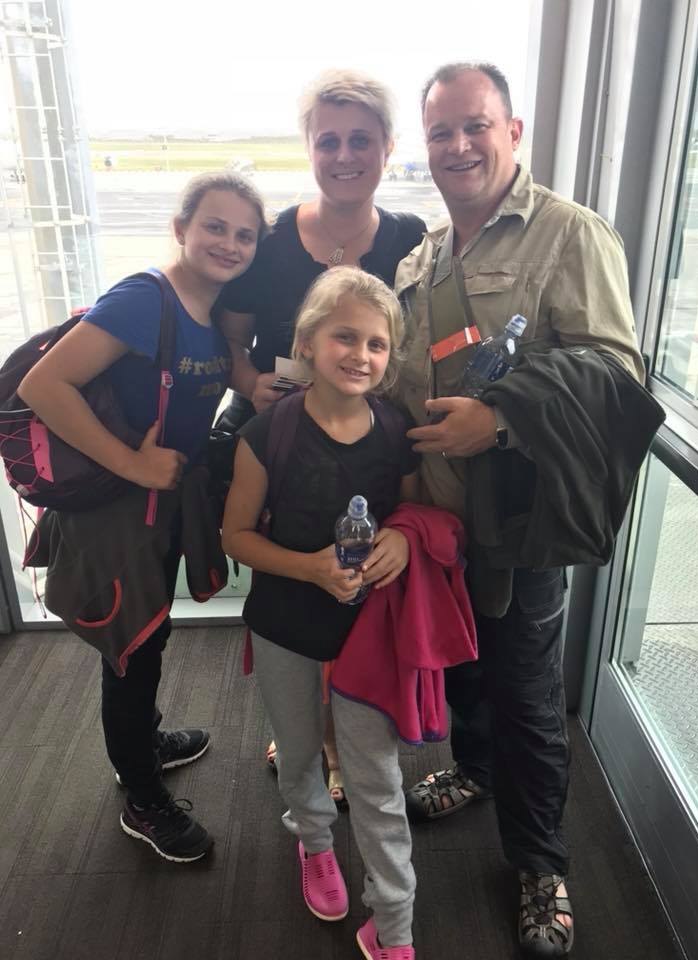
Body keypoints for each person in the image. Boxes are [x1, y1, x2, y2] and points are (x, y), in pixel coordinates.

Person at [393, 62, 645, 957]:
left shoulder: (568, 235)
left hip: (520, 522)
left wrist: (500, 418)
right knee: (465, 667)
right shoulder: (420, 258)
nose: (457, 145)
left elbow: (618, 376)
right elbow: (400, 375)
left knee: (527, 689)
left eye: (475, 125)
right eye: (440, 133)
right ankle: (473, 767)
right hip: (441, 520)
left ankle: (541, 864)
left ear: (513, 129)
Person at [17, 171, 269, 863]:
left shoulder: (210, 310)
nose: (228, 242)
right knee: (131, 649)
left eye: (244, 234)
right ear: (181, 229)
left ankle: (143, 744)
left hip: (157, 505)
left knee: (149, 640)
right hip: (116, 510)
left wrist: (253, 383)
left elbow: (216, 379)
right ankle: (141, 796)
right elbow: (45, 387)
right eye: (214, 226)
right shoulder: (143, 298)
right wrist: (132, 464)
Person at [219, 68, 426, 803]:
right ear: (308, 146)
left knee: (359, 596)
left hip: (369, 444)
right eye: (328, 140)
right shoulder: (272, 243)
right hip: (285, 444)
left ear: (387, 148)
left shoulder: (409, 240)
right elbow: (231, 343)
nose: (344, 155)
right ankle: (303, 731)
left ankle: (344, 738)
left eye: (361, 140)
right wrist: (250, 387)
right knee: (295, 592)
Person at [222, 266, 421, 960]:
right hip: (286, 622)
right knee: (300, 750)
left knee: (377, 777)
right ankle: (313, 842)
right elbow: (236, 536)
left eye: (376, 344)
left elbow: (409, 512)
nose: (361, 355)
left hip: (369, 633)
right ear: (307, 341)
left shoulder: (395, 431)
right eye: (344, 336)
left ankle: (393, 924)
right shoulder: (266, 433)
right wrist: (308, 567)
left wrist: (398, 535)